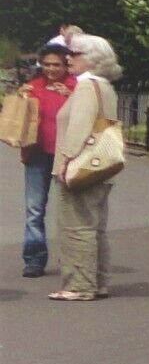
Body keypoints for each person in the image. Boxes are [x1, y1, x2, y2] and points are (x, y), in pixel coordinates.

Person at [50, 34, 122, 301]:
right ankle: (98, 281)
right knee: (95, 227)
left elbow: (79, 127)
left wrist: (66, 161)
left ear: (90, 58)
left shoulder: (85, 87)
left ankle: (79, 285)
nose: (68, 57)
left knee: (75, 225)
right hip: (102, 165)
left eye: (74, 53)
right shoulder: (105, 87)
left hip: (81, 166)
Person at [10, 44, 75, 276]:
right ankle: (34, 259)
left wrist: (71, 96)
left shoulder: (74, 86)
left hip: (67, 155)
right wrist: (21, 97)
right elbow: (18, 115)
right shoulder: (33, 86)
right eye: (46, 64)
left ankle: (73, 258)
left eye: (56, 64)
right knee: (34, 209)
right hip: (37, 153)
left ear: (65, 64)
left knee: (70, 209)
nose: (50, 69)